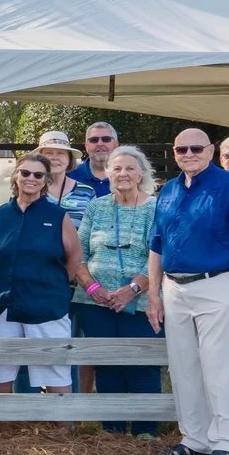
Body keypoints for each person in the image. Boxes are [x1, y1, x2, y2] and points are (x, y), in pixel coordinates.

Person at [145, 127, 229, 455]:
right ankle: (194, 438)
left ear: (211, 151)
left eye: (196, 148)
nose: (189, 154)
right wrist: (154, 293)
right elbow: (156, 245)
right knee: (183, 366)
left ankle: (228, 446)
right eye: (181, 149)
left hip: (219, 283)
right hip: (175, 286)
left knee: (220, 366)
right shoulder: (168, 190)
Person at [74, 145, 164, 436]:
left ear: (140, 174)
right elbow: (79, 255)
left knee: (142, 364)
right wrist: (93, 287)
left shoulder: (156, 207)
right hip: (95, 301)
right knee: (106, 363)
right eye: (117, 168)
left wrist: (132, 289)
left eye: (129, 168)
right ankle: (111, 429)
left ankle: (145, 429)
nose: (123, 174)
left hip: (141, 302)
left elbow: (159, 256)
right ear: (108, 173)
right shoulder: (96, 206)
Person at [0, 154, 83, 405]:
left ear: (46, 181)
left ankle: (63, 431)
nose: (31, 179)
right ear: (16, 176)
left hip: (46, 305)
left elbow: (73, 259)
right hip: (3, 304)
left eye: (38, 175)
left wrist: (54, 287)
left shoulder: (59, 216)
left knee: (55, 370)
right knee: (0, 370)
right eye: (25, 173)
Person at [33, 129, 94, 220]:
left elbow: (96, 230)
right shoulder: (29, 187)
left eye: (60, 153)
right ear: (39, 158)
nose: (55, 158)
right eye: (49, 153)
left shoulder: (87, 192)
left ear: (69, 159)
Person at [69, 122, 119, 195]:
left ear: (116, 144)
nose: (100, 143)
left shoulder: (129, 176)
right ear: (86, 146)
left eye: (106, 139)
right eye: (94, 140)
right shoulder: (70, 175)